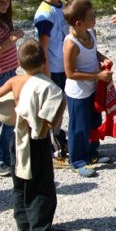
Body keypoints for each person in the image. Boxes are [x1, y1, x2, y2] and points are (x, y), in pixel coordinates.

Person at [0, 39, 66, 231]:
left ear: (20, 63)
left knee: (20, 183)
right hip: (36, 140)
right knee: (41, 186)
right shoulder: (47, 86)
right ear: (44, 61)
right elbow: (51, 118)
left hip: (17, 138)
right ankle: (40, 226)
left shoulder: (15, 81)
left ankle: (24, 224)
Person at [63, 0, 113, 177]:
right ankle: (77, 161)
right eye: (92, 16)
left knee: (94, 122)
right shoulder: (71, 44)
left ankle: (92, 153)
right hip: (78, 93)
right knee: (79, 127)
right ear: (79, 22)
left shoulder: (90, 33)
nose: (95, 18)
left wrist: (102, 59)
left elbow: (94, 52)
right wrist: (97, 76)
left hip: (92, 89)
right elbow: (70, 73)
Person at [33, 0, 69, 168]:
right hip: (53, 67)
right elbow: (43, 47)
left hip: (64, 65)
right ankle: (54, 148)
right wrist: (45, 72)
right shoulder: (44, 14)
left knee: (63, 104)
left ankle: (59, 137)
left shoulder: (61, 5)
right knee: (54, 107)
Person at [0, 0, 24, 177]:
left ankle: (8, 156)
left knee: (10, 117)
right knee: (6, 117)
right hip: (1, 76)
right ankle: (4, 158)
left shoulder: (4, 20)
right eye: (1, 2)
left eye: (7, 1)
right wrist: (10, 41)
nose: (5, 5)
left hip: (9, 72)